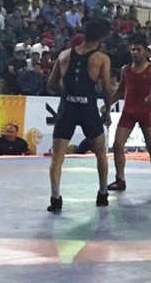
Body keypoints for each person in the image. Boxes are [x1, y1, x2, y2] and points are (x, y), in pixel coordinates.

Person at [45, 19, 115, 212]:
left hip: (67, 109)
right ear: (101, 38)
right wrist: (108, 110)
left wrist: (68, 95)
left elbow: (51, 84)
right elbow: (107, 89)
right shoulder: (101, 58)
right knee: (101, 154)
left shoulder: (64, 54)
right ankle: (102, 194)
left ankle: (55, 199)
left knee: (57, 158)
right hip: (88, 109)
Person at [105, 37, 151, 192]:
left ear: (146, 52)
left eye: (138, 49)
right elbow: (120, 91)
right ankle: (120, 180)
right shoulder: (125, 69)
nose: (134, 52)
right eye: (132, 49)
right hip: (128, 111)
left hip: (145, 112)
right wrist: (107, 105)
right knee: (117, 144)